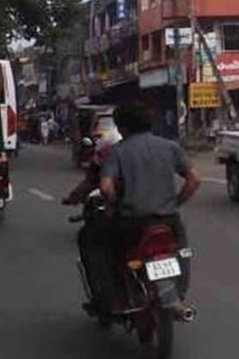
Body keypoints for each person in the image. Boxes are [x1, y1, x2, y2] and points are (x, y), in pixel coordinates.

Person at [84, 102, 200, 312]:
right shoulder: (170, 147)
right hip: (168, 220)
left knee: (93, 241)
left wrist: (115, 204)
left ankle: (107, 297)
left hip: (131, 222)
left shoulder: (117, 152)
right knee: (182, 250)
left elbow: (106, 186)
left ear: (122, 128)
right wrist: (176, 202)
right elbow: (194, 179)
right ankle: (178, 296)